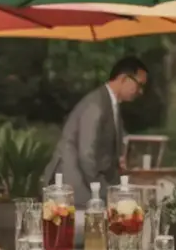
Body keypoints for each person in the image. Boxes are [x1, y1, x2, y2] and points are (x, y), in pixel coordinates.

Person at [43, 56, 148, 207]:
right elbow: (87, 157)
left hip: (86, 186)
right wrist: (107, 194)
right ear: (124, 78)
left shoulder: (111, 104)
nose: (141, 91)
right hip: (73, 187)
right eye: (139, 85)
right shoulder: (96, 105)